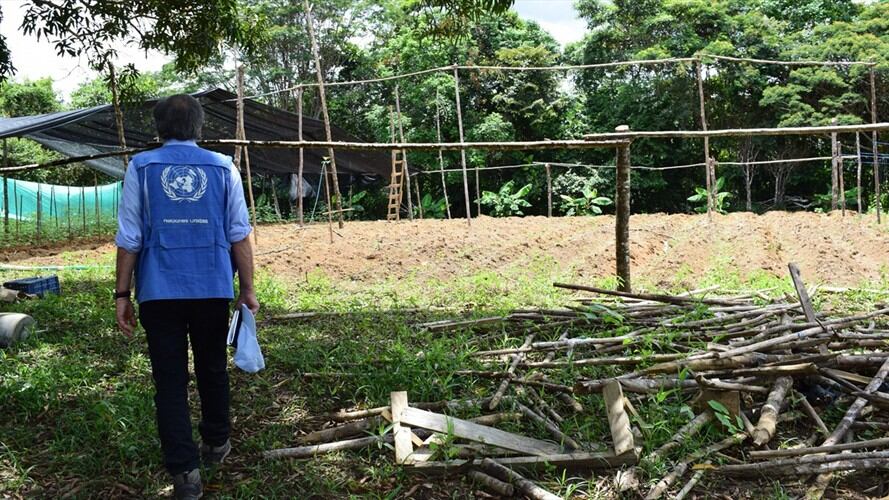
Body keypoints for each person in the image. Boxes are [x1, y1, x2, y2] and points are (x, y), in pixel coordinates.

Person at [114, 94, 260, 500]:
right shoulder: (223, 166)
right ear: (200, 128)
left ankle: (185, 474)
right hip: (212, 287)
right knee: (213, 367)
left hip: (160, 292)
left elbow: (130, 238)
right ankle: (216, 442)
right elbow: (239, 232)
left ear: (159, 129)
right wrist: (246, 289)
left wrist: (122, 293)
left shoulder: (141, 167)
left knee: (170, 380)